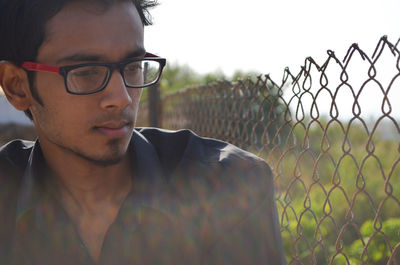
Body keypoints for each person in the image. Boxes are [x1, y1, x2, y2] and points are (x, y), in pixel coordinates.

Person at [0, 0, 286, 264]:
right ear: (16, 86)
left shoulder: (230, 186)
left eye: (133, 66)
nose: (122, 97)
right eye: (86, 71)